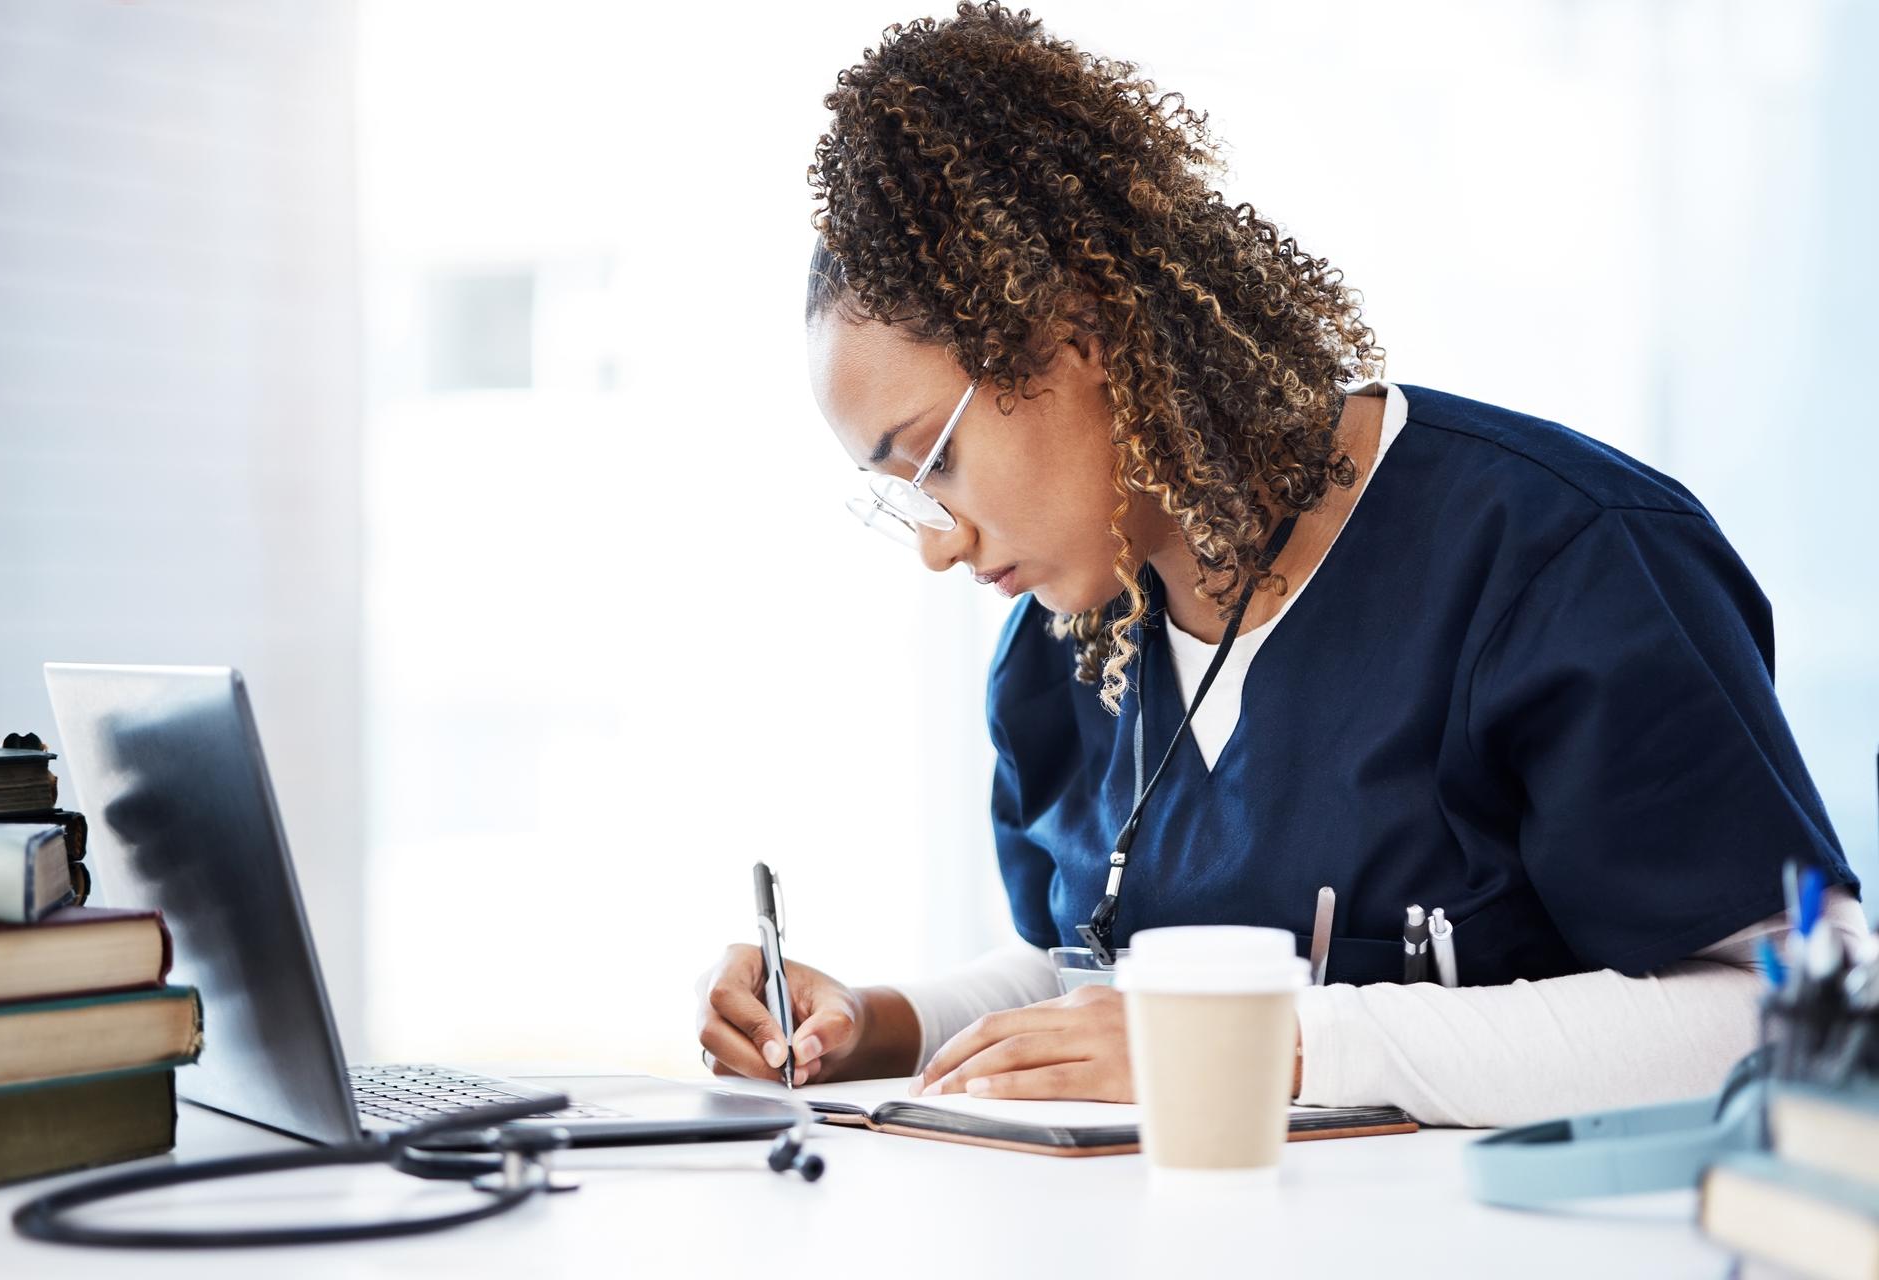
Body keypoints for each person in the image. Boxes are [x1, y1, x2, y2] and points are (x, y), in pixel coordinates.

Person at [693, 1, 1866, 1127]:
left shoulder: (1564, 560)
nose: (936, 544)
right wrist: (882, 1022)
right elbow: (1097, 989)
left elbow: (1776, 1011)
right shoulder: (1064, 649)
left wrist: (1270, 1047)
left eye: (932, 462)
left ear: (1080, 333)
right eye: (893, 498)